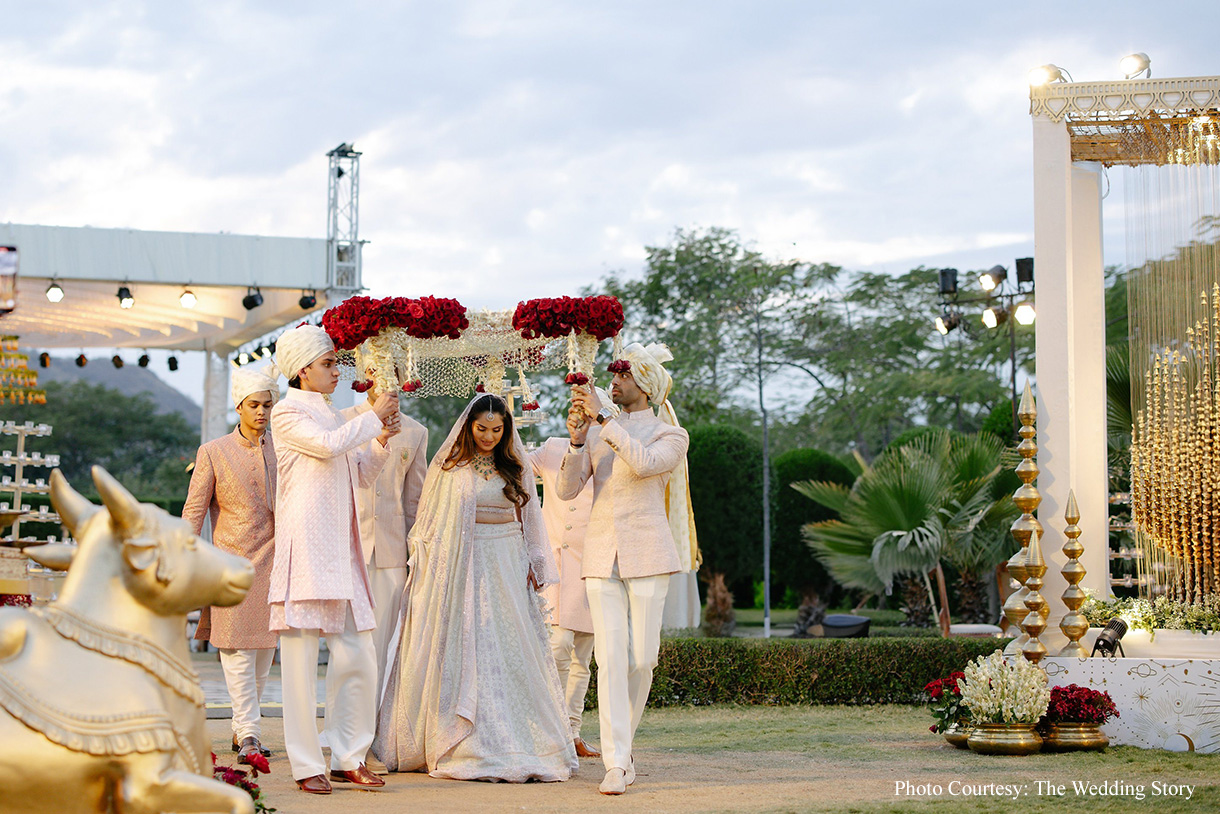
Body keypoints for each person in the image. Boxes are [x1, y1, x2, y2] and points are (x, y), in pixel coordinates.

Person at [375, 393, 578, 782]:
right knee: (467, 642)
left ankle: (517, 741)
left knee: (507, 646)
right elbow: (429, 522)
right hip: (461, 567)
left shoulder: (515, 466)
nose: (488, 436)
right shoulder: (451, 467)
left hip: (505, 561)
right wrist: (428, 570)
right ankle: (460, 739)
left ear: (506, 430)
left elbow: (531, 518)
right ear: (469, 427)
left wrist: (535, 564)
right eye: (481, 429)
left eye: (496, 430)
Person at [268, 324, 401, 795]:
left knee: (359, 654)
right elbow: (327, 447)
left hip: (342, 551)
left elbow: (359, 473)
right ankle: (307, 764)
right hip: (305, 549)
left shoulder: (332, 414)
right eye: (328, 364)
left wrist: (381, 438)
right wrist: (370, 413)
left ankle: (348, 755)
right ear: (302, 371)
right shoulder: (286, 414)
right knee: (301, 662)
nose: (336, 370)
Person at [558, 343, 692, 795]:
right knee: (609, 656)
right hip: (600, 554)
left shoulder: (671, 435)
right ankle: (615, 761)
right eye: (613, 377)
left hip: (649, 553)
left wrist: (601, 421)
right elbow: (565, 489)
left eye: (623, 377)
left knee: (643, 658)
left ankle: (625, 744)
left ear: (646, 384)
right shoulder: (598, 430)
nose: (612, 383)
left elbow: (644, 463)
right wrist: (577, 441)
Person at [182, 366, 279, 765]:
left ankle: (243, 731)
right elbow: (194, 509)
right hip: (231, 565)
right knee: (237, 650)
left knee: (263, 652)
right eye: (254, 405)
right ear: (238, 406)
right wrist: (184, 556)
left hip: (276, 560)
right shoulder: (214, 451)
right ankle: (252, 732)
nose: (261, 412)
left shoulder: (285, 447)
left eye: (268, 405)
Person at [527, 389, 619, 760]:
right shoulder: (551, 447)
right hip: (555, 564)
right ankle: (547, 729)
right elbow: (513, 463)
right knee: (557, 647)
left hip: (594, 561)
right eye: (575, 409)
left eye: (588, 411)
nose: (580, 416)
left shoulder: (613, 451)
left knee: (583, 653)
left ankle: (573, 731)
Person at [344, 355, 428, 702]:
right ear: (368, 373)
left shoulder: (415, 431)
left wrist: (416, 555)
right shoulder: (343, 423)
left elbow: (415, 501)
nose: (391, 380)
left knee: (382, 645)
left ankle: (374, 727)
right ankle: (341, 725)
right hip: (348, 548)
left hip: (392, 552)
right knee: (347, 643)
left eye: (398, 372)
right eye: (383, 371)